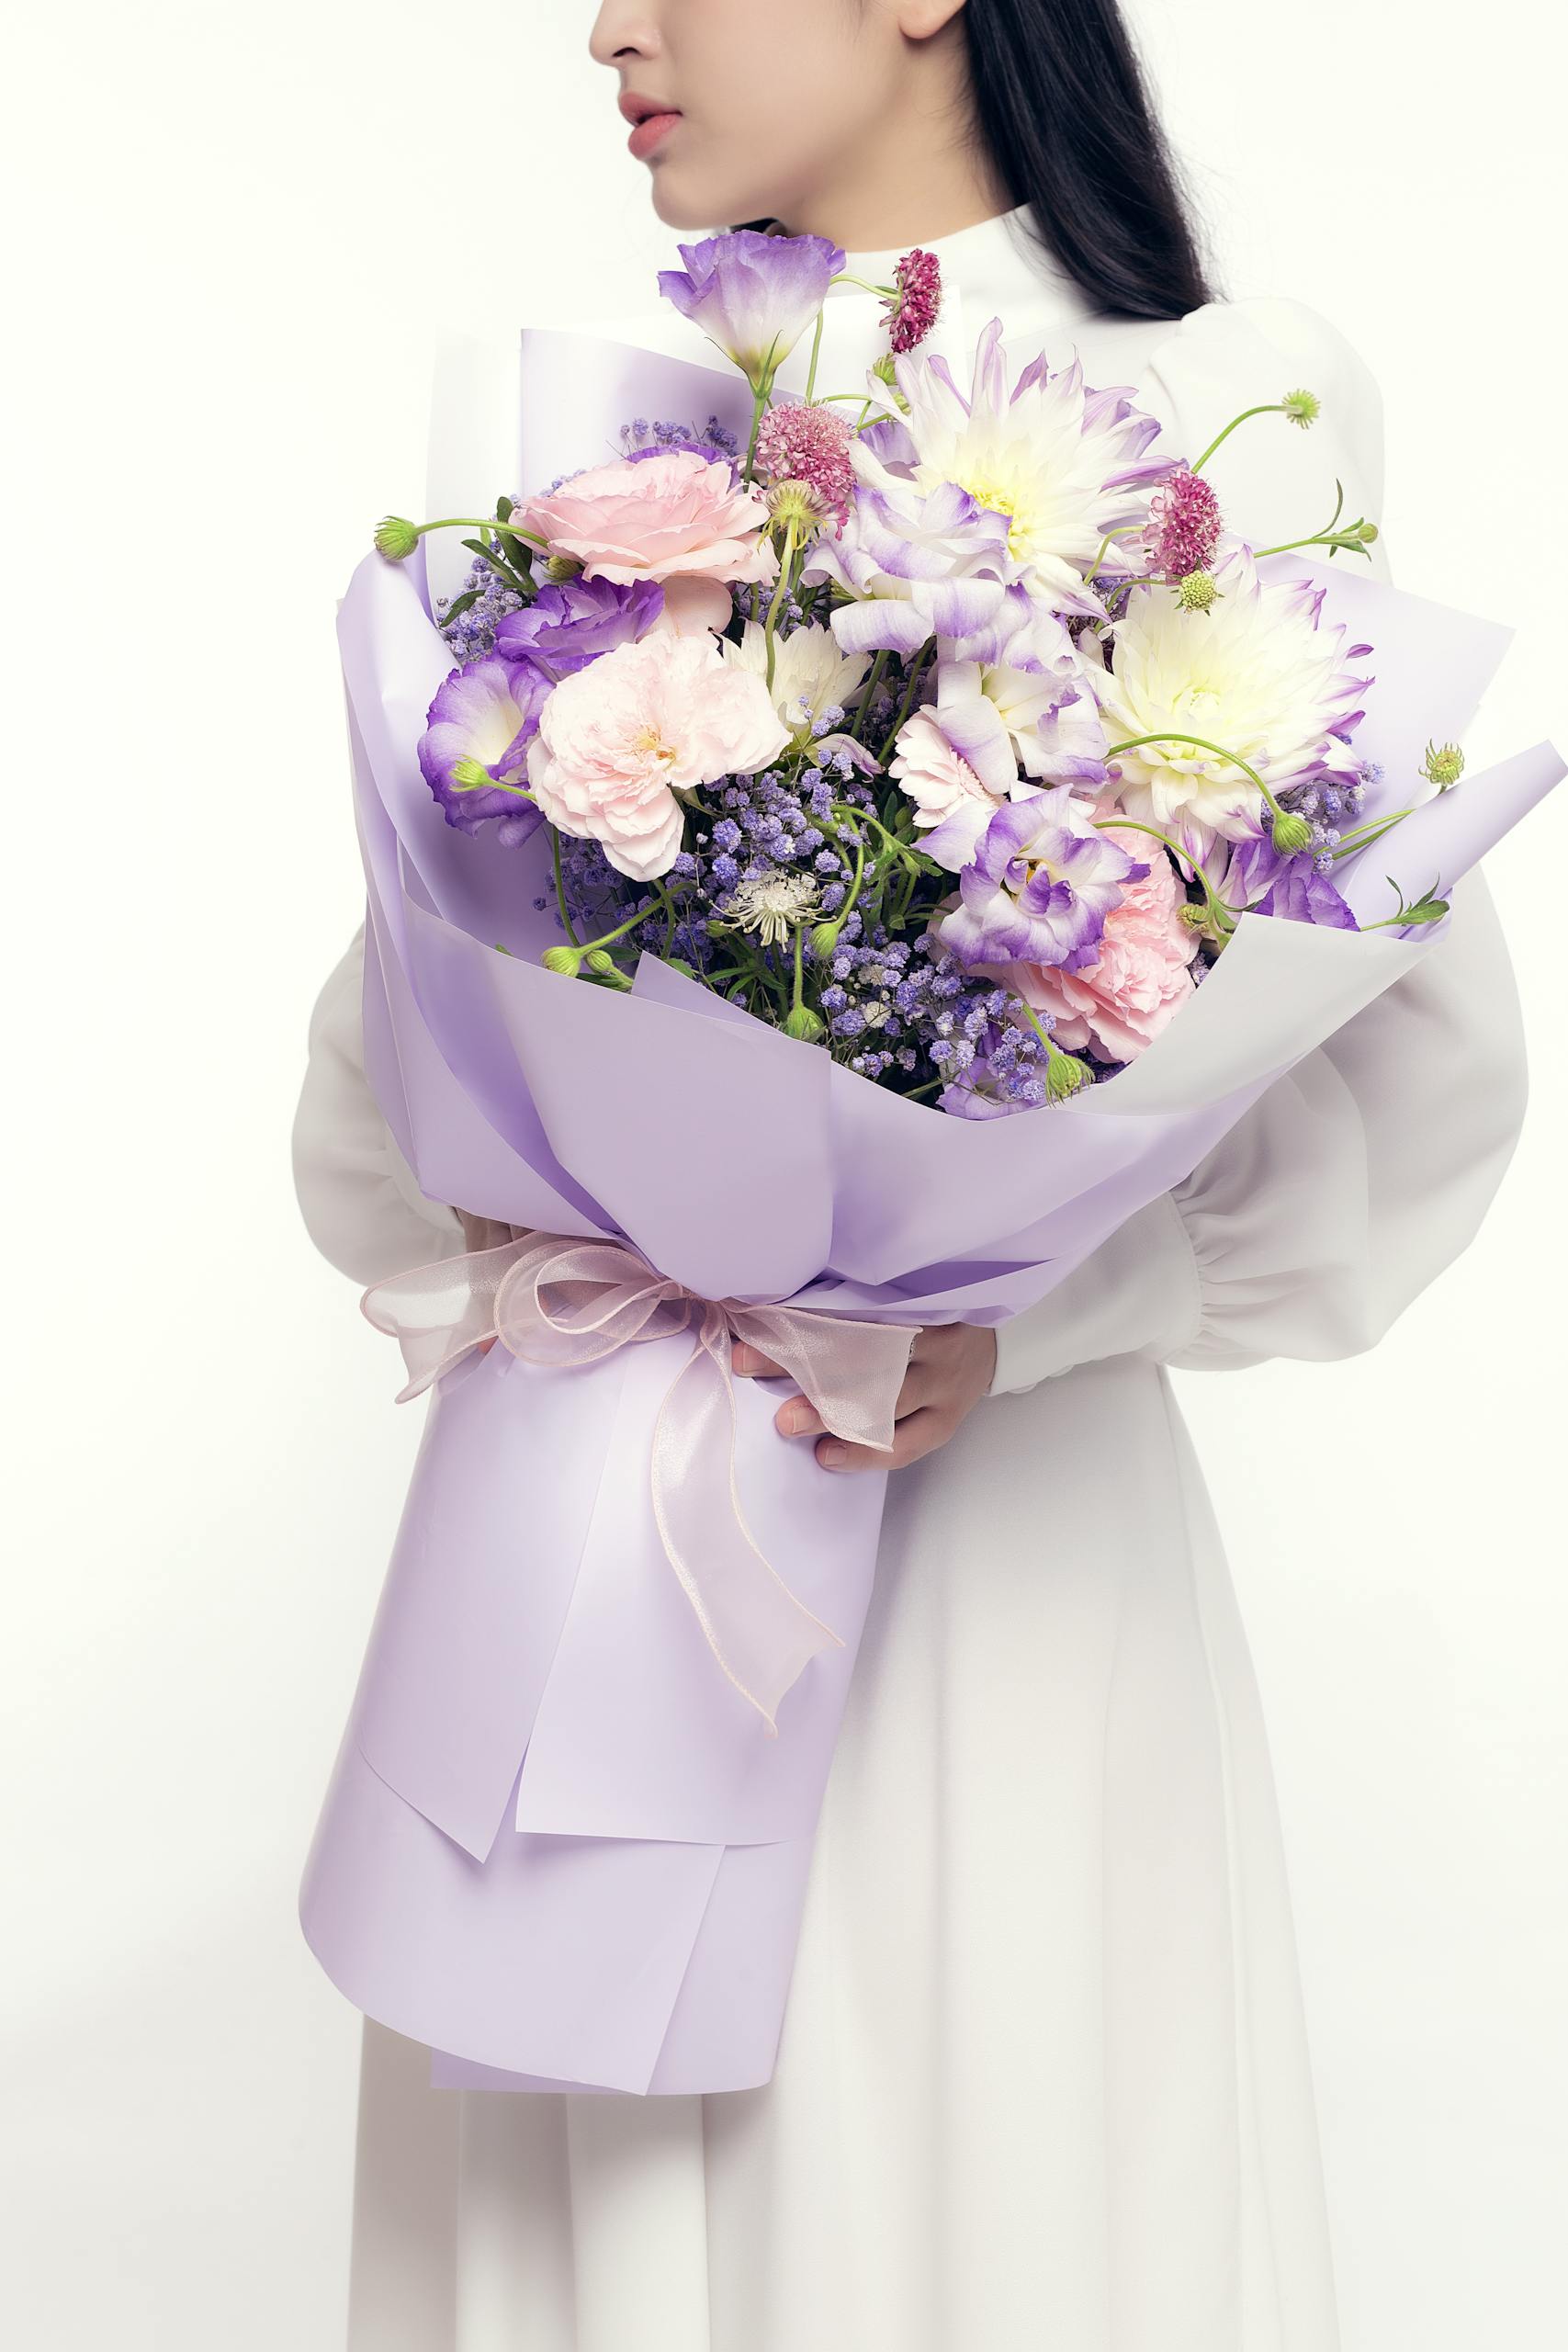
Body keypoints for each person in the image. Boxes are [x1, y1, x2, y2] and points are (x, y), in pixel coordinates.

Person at [292, 4, 1528, 2346]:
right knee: (588, 2233)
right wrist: (548, 1204)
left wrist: (1023, 1314)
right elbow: (390, 1069)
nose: (608, 27)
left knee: (973, 2193)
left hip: (985, 1571)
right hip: (571, 1533)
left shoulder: (1217, 405)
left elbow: (1404, 1069)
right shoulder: (588, 441)